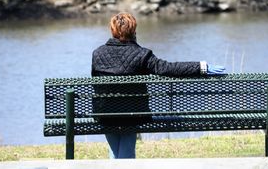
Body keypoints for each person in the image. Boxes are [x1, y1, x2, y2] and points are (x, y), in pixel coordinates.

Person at [91, 12, 226, 159]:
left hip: (105, 113)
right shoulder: (141, 54)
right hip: (132, 114)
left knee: (115, 148)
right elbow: (168, 68)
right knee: (126, 147)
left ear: (112, 31)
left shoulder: (97, 53)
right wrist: (201, 67)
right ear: (133, 31)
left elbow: (96, 82)